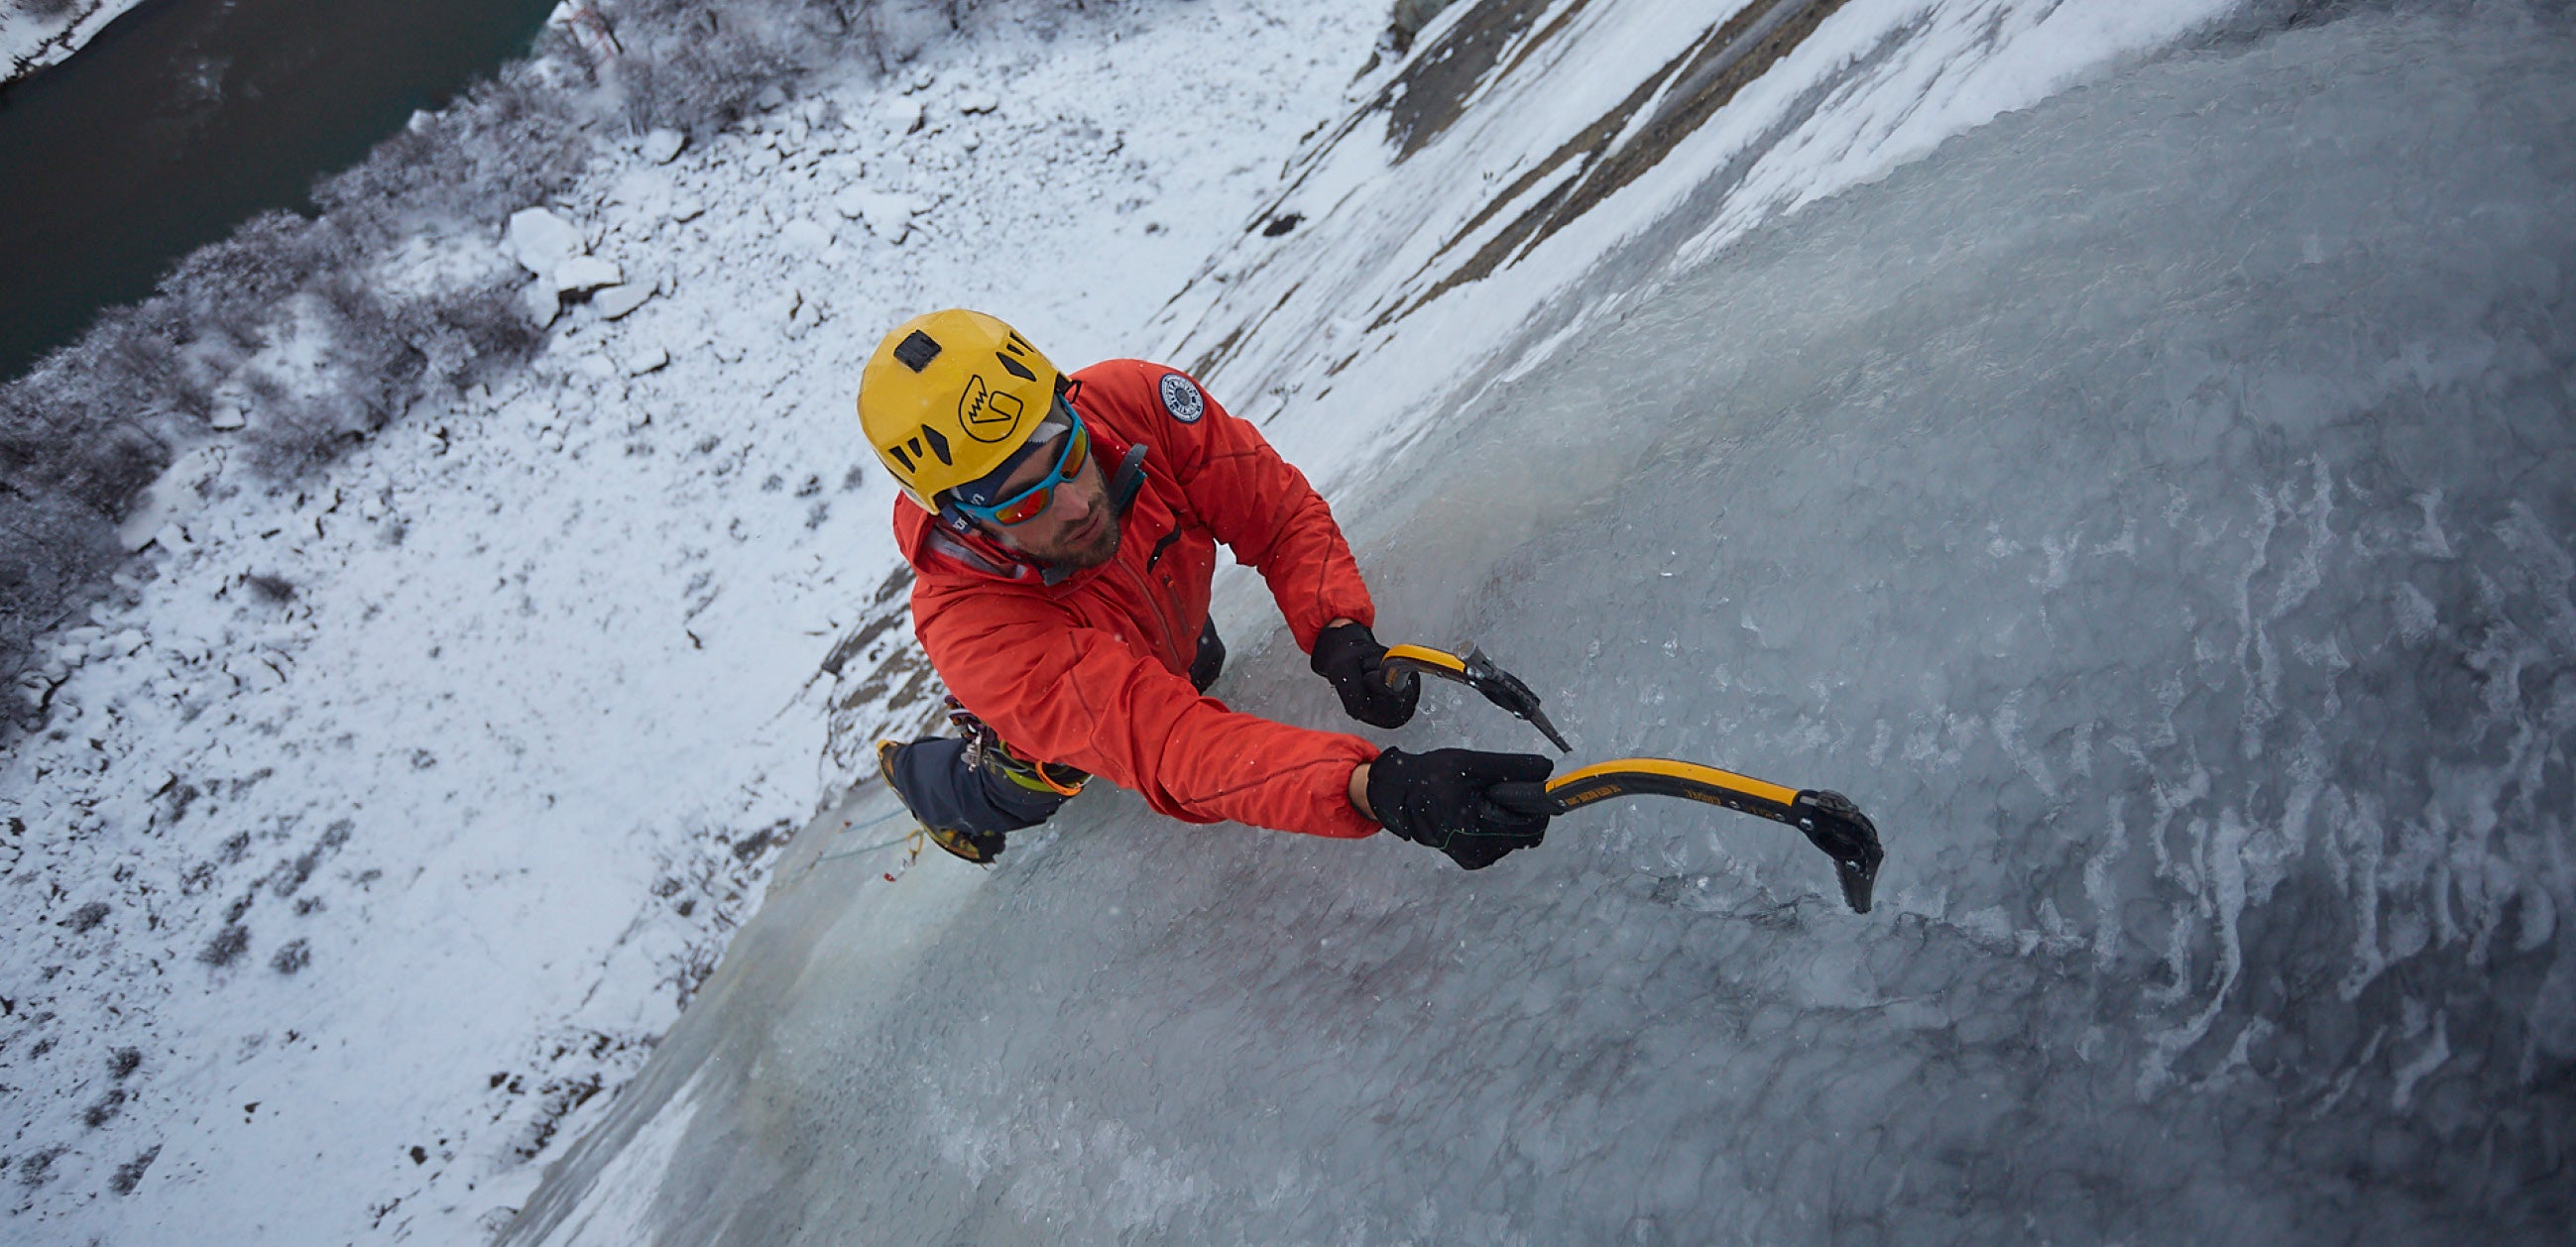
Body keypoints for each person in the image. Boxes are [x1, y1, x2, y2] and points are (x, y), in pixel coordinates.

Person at [856, 309, 1554, 868]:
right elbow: (1173, 745)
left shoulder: (1136, 404)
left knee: (1199, 665)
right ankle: (921, 778)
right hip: (1045, 730)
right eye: (1020, 505)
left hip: (1169, 624)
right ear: (959, 516)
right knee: (1019, 793)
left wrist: (1338, 628)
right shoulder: (972, 628)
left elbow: (1275, 515)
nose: (1074, 505)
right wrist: (1372, 789)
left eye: (1068, 456)